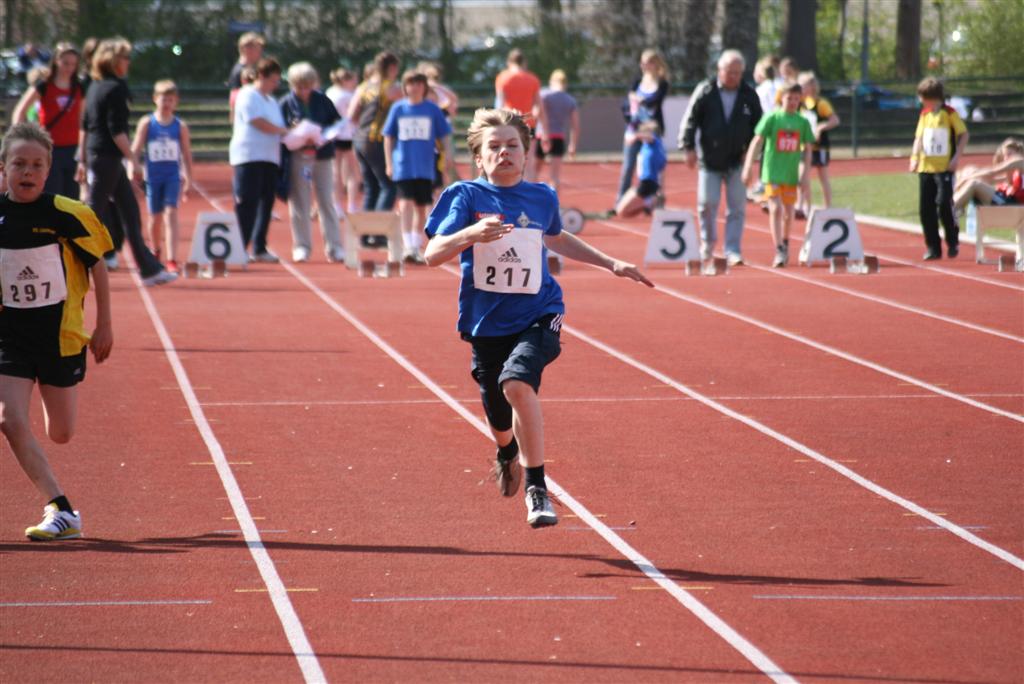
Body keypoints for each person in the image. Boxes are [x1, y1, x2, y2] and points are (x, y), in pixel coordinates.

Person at [422, 108, 653, 527]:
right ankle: (506, 451)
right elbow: (432, 254)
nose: (504, 153)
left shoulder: (542, 196)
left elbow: (556, 237)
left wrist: (611, 263)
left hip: (539, 312)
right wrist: (470, 234)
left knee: (517, 382)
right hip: (485, 322)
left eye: (512, 145)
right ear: (479, 157)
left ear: (526, 154)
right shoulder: (465, 196)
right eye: (494, 147)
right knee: (497, 412)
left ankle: (537, 489)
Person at [0, 122, 113, 540]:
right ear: (3, 167)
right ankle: (61, 508)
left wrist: (104, 324)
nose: (27, 172)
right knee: (9, 419)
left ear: (48, 171)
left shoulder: (67, 214)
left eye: (36, 165)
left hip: (59, 336)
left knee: (60, 433)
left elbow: (98, 266)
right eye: (19, 164)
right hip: (10, 335)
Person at [78, 37, 175, 285]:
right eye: (125, 57)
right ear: (113, 60)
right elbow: (116, 130)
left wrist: (82, 159)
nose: (129, 62)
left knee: (130, 212)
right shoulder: (115, 88)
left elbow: (85, 126)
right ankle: (72, 264)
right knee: (92, 215)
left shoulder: (95, 86)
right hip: (107, 157)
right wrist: (134, 159)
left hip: (101, 156)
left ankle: (149, 269)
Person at [679, 49, 763, 265]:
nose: (733, 76)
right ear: (719, 69)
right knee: (707, 203)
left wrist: (751, 153)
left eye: (737, 72)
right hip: (710, 159)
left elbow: (759, 127)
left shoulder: (749, 95)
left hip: (738, 160)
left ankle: (733, 250)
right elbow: (690, 120)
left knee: (737, 207)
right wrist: (688, 147)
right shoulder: (705, 91)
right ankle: (707, 246)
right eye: (729, 71)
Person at [279, 62, 346, 264]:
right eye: (300, 86)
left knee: (326, 200)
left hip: (322, 155)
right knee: (300, 200)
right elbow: (280, 129)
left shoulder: (323, 100)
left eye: (308, 86)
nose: (304, 90)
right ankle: (301, 246)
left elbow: (337, 122)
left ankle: (335, 247)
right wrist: (296, 134)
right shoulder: (285, 103)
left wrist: (323, 135)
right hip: (299, 156)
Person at [742, 82, 814, 267]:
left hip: (790, 174)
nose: (792, 102)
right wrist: (748, 166)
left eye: (796, 99)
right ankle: (779, 248)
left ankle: (786, 241)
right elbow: (757, 141)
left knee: (789, 213)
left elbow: (808, 149)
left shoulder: (802, 122)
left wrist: (805, 174)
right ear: (782, 97)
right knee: (775, 208)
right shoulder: (772, 118)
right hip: (772, 172)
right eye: (789, 98)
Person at [383, 70, 451, 263]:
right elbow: (388, 136)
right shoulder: (398, 108)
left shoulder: (432, 109)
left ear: (424, 87)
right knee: (405, 203)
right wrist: (389, 163)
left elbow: (444, 134)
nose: (415, 88)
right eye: (411, 84)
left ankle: (414, 245)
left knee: (422, 206)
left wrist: (447, 155)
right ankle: (406, 244)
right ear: (405, 87)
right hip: (403, 165)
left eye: (419, 84)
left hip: (425, 166)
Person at [131, 79, 194, 274]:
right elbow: (135, 149)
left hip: (172, 177)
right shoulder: (147, 123)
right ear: (155, 99)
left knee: (171, 213)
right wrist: (132, 170)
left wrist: (189, 178)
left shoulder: (180, 126)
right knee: (154, 218)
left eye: (170, 100)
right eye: (163, 99)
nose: (166, 104)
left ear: (176, 102)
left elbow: (186, 154)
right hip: (153, 178)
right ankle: (156, 250)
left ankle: (172, 258)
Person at [230, 57, 288, 263]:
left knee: (267, 202)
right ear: (261, 76)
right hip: (249, 156)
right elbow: (257, 122)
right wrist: (283, 131)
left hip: (269, 157)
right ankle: (239, 247)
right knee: (248, 202)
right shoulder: (247, 94)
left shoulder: (271, 101)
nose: (275, 85)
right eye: (273, 80)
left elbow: (278, 125)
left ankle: (259, 246)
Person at [11, 43, 84, 200]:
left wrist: (83, 150)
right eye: (65, 63)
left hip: (73, 149)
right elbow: (20, 111)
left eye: (73, 64)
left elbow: (83, 119)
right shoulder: (44, 85)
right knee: (52, 195)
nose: (69, 68)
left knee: (72, 198)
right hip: (49, 149)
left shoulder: (79, 87)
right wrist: (21, 139)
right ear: (56, 61)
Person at [909, 77, 969, 260]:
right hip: (926, 168)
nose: (920, 100)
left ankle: (952, 240)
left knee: (943, 204)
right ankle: (933, 247)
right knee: (926, 209)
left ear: (931, 97)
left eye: (922, 96)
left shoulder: (949, 113)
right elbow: (919, 138)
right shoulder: (924, 114)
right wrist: (914, 158)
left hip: (944, 169)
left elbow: (964, 134)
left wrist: (956, 158)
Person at [348, 51, 401, 212]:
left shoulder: (363, 87)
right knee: (389, 187)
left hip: (359, 139)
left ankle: (366, 227)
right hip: (376, 140)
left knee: (371, 188)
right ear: (392, 68)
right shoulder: (391, 89)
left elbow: (351, 115)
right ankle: (378, 226)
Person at [617, 49, 669, 201]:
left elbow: (656, 101)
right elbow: (627, 102)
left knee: (651, 166)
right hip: (635, 128)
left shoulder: (662, 83)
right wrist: (631, 107)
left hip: (651, 130)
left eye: (647, 63)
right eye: (642, 63)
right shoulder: (637, 82)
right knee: (628, 166)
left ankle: (653, 201)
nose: (643, 66)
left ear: (655, 64)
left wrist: (641, 100)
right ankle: (620, 202)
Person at [795, 71, 840, 219]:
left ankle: (828, 208)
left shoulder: (821, 103)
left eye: (803, 85)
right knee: (803, 177)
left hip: (819, 147)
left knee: (823, 177)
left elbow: (835, 120)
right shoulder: (800, 104)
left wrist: (820, 127)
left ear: (812, 86)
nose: (801, 88)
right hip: (804, 146)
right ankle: (804, 207)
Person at [530, 69, 579, 195]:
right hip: (558, 137)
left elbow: (536, 113)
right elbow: (575, 125)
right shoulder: (570, 100)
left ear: (552, 81)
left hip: (542, 136)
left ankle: (532, 199)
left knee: (534, 171)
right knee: (555, 176)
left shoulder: (544, 95)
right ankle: (554, 203)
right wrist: (573, 145)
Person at [325, 68, 361, 214]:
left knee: (336, 172)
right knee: (353, 172)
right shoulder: (349, 95)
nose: (355, 82)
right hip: (349, 135)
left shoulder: (330, 92)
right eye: (353, 79)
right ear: (345, 80)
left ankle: (337, 205)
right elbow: (355, 116)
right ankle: (351, 205)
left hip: (333, 135)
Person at [953, 137, 1024, 211]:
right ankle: (953, 207)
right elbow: (990, 179)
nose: (1006, 158)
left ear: (1018, 153)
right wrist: (969, 175)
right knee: (971, 172)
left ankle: (948, 209)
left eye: (1009, 154)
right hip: (1010, 203)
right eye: (1005, 155)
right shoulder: (1013, 173)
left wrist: (965, 179)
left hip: (1013, 206)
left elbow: (991, 172)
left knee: (974, 183)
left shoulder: (1019, 161)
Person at [419, 61, 460, 185]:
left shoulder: (441, 90)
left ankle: (450, 187)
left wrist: (437, 87)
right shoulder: (422, 91)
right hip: (427, 133)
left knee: (446, 164)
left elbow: (453, 107)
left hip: (442, 132)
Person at [615, 121, 666, 218]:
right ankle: (649, 203)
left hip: (647, 184)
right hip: (646, 184)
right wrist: (662, 190)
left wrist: (635, 136)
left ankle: (649, 202)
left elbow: (650, 137)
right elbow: (662, 172)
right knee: (622, 207)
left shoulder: (654, 143)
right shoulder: (651, 147)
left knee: (621, 212)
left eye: (643, 132)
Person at [494, 49, 542, 131]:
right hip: (528, 123)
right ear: (524, 62)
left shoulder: (502, 78)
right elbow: (538, 105)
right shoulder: (533, 79)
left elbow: (500, 104)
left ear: (508, 62)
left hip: (510, 122)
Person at [227, 32, 265, 123]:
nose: (260, 53)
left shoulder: (253, 68)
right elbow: (234, 98)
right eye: (258, 50)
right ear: (247, 50)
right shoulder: (240, 71)